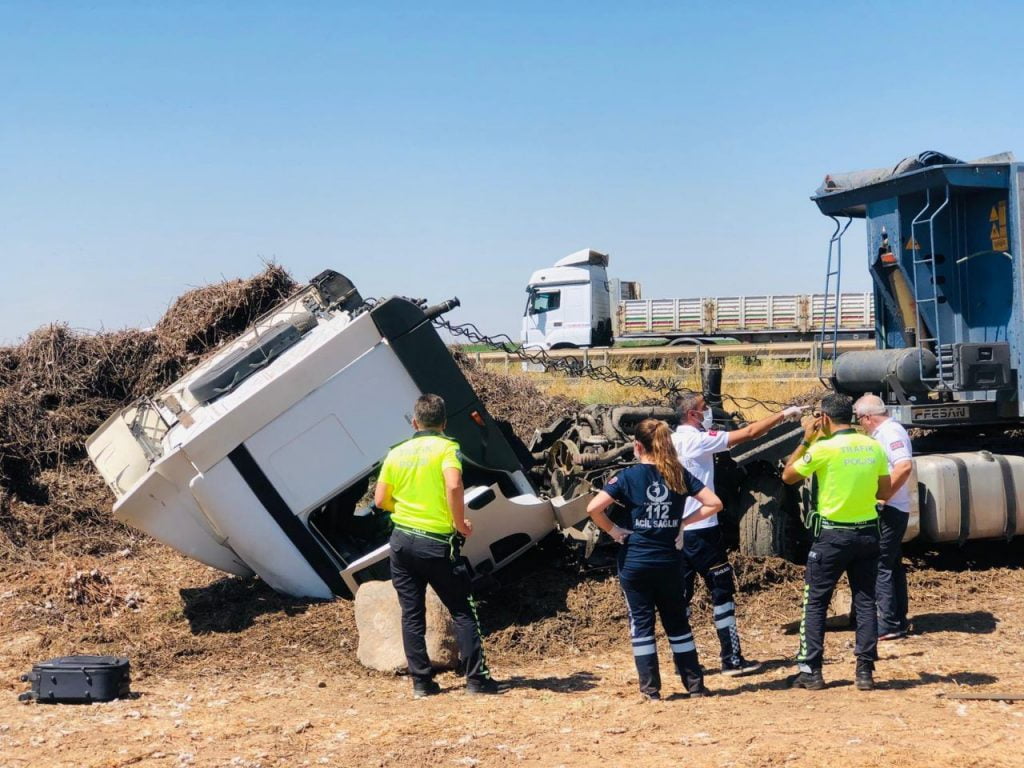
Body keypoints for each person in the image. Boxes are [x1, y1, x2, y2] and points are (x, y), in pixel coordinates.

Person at [374, 393, 506, 698]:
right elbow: (453, 484)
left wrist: (405, 508)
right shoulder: (448, 448)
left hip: (401, 541)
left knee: (411, 612)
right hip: (435, 541)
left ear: (415, 421)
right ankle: (477, 679)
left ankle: (421, 682)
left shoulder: (397, 452)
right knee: (462, 609)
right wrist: (460, 523)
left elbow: (380, 500)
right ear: (444, 423)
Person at [587, 418, 724, 701]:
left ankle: (651, 690)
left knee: (642, 624)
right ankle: (695, 686)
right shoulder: (678, 473)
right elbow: (714, 503)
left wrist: (614, 531)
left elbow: (593, 508)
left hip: (635, 561)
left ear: (637, 446)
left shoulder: (627, 477)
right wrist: (682, 523)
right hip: (669, 561)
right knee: (677, 622)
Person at [672, 392, 805, 676]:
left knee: (679, 599)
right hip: (703, 532)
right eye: (704, 409)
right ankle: (731, 659)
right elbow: (749, 433)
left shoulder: (670, 441)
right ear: (693, 415)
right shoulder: (698, 440)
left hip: (676, 532)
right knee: (722, 594)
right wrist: (784, 414)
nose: (708, 412)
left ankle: (683, 664)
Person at [782, 393, 891, 691]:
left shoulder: (823, 449)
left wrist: (807, 439)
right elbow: (885, 489)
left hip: (832, 536)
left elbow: (788, 475)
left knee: (816, 602)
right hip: (868, 533)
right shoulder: (873, 446)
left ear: (825, 419)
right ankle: (865, 672)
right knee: (866, 600)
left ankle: (811, 670)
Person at [854, 394, 914, 640]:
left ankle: (888, 624)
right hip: (894, 507)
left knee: (881, 565)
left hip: (891, 509)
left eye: (859, 419)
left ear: (868, 417)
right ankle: (897, 618)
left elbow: (904, 466)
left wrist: (883, 497)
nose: (859, 424)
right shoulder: (888, 432)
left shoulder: (890, 432)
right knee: (892, 563)